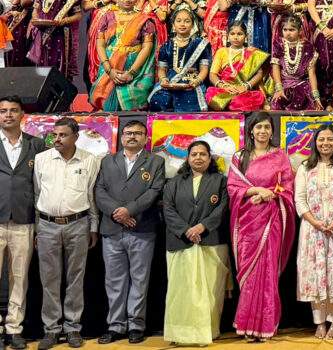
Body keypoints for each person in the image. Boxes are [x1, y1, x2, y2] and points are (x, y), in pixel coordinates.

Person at [94, 121, 165, 345]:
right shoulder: (107, 161)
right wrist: (118, 213)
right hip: (112, 229)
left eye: (137, 133)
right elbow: (99, 190)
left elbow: (155, 191)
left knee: (139, 280)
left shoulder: (156, 161)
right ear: (121, 137)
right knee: (114, 281)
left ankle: (136, 325)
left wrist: (129, 210)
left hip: (142, 229)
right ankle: (116, 325)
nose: (132, 136)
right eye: (128, 133)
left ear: (146, 138)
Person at [227, 113, 295, 341]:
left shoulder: (280, 156)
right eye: (258, 127)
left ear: (272, 131)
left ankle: (265, 326)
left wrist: (271, 194)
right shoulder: (240, 157)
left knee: (267, 273)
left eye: (267, 127)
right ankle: (246, 324)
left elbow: (288, 188)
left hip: (271, 220)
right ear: (251, 130)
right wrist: (257, 191)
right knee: (249, 274)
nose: (263, 131)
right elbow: (233, 187)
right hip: (246, 223)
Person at [34, 118, 100, 350]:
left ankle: (73, 328)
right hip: (47, 225)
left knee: (75, 278)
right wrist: (37, 228)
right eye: (55, 135)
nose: (57, 139)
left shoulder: (89, 160)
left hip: (78, 224)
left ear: (76, 137)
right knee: (49, 279)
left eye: (63, 135)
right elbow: (37, 195)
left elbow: (92, 196)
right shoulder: (42, 159)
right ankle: (51, 330)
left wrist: (93, 227)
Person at [162, 141, 230, 346]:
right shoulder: (174, 183)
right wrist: (186, 231)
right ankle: (178, 334)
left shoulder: (221, 181)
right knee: (180, 291)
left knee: (210, 291)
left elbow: (223, 207)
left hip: (211, 242)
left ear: (210, 158)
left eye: (203, 154)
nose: (198, 157)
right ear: (188, 158)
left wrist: (202, 227)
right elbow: (168, 210)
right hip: (180, 242)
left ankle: (207, 332)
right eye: (194, 154)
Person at [294, 125, 333, 339]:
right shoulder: (305, 167)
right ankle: (319, 322)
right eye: (321, 139)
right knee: (316, 274)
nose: (326, 143)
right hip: (313, 230)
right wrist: (317, 223)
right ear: (315, 142)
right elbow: (299, 200)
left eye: (330, 139)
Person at [0, 96, 45, 350]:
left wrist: (38, 223)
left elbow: (42, 184)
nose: (8, 115)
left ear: (22, 115)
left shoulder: (36, 144)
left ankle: (14, 329)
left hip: (24, 220)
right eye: (3, 111)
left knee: (19, 278)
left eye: (13, 110)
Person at [90, 0, 157, 111]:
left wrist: (131, 72)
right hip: (110, 64)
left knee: (132, 103)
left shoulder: (144, 20)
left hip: (135, 67)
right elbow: (100, 44)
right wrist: (109, 70)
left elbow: (147, 48)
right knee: (105, 102)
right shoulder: (107, 17)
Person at [27, 0, 82, 80]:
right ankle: (43, 92)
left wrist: (63, 21)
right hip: (41, 32)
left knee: (59, 65)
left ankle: (58, 91)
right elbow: (36, 9)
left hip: (61, 34)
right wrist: (36, 20)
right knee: (42, 66)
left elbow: (78, 15)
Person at [148, 9, 213, 112]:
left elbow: (204, 69)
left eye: (187, 21)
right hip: (170, 82)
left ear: (193, 25)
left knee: (191, 106)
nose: (182, 24)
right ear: (173, 24)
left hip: (191, 82)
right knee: (158, 101)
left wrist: (197, 81)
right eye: (179, 21)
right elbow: (161, 69)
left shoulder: (201, 44)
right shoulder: (166, 46)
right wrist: (163, 79)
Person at [84, 0, 130, 84]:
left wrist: (116, 1)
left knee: (118, 56)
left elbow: (133, 5)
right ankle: (97, 90)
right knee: (98, 55)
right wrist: (103, 2)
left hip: (121, 24)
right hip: (99, 25)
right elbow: (85, 6)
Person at [206, 23, 270, 111]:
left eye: (240, 34)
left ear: (246, 36)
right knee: (212, 96)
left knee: (245, 100)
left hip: (244, 90)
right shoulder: (222, 51)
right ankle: (229, 104)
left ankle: (231, 105)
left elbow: (260, 74)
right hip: (225, 89)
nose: (235, 37)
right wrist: (224, 86)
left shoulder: (253, 53)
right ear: (227, 35)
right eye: (232, 34)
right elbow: (212, 74)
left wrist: (246, 86)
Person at [269, 15, 321, 111]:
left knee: (302, 100)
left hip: (301, 84)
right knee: (277, 104)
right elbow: (275, 67)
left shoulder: (307, 47)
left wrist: (316, 97)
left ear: (300, 30)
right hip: (283, 85)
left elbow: (312, 73)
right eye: (285, 30)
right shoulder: (278, 44)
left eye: (292, 30)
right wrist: (279, 88)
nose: (288, 33)